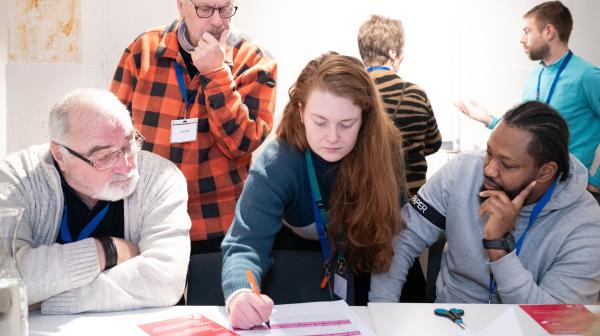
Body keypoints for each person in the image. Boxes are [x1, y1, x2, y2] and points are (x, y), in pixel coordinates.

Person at [221, 53, 411, 329]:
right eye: (320, 121)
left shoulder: (384, 149)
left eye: (347, 124)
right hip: (293, 283)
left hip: (369, 275)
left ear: (365, 118)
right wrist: (240, 293)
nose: (332, 137)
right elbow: (245, 243)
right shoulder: (279, 161)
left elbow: (396, 235)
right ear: (300, 112)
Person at [370, 101, 600, 304]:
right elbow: (403, 238)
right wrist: (383, 308)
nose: (488, 170)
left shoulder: (585, 225)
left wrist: (499, 249)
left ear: (545, 172)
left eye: (507, 165)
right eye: (489, 153)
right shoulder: (463, 170)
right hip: (450, 319)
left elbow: (554, 322)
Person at [0, 88, 191, 314]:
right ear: (60, 155)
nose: (127, 166)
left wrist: (43, 299)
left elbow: (165, 280)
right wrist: (107, 251)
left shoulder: (161, 177)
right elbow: (6, 275)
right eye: (105, 157)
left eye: (129, 144)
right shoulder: (15, 179)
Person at [110, 0, 277, 254]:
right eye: (205, 10)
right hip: (149, 216)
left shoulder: (253, 59)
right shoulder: (143, 49)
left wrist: (216, 73)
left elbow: (241, 144)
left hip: (216, 221)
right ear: (181, 7)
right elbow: (113, 132)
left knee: (212, 293)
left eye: (225, 9)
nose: (218, 21)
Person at [455, 1, 600, 204]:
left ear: (549, 31)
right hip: (537, 186)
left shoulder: (588, 76)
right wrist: (488, 120)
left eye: (527, 31)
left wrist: (597, 178)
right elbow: (526, 134)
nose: (522, 39)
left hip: (575, 190)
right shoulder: (534, 77)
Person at [357, 14, 442, 196]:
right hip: (412, 199)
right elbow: (434, 144)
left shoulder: (353, 93)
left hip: (368, 198)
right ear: (392, 53)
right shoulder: (415, 94)